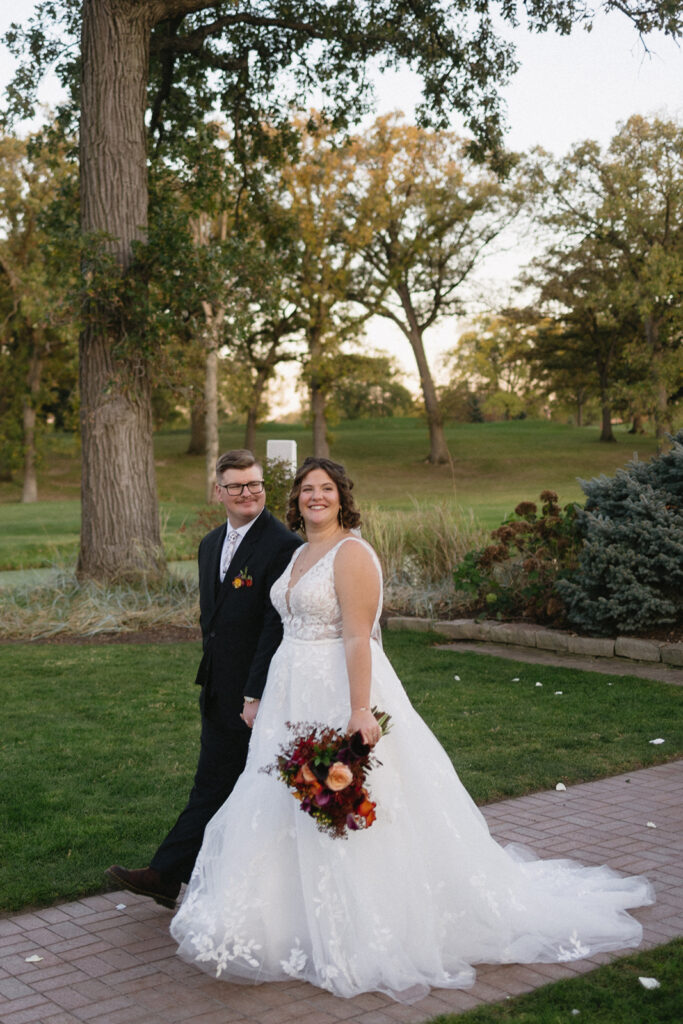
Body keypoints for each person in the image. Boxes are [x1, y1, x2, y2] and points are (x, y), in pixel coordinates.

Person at [169, 456, 654, 1004]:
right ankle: (285, 916)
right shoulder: (301, 553)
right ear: (296, 499)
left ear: (342, 496)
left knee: (342, 803)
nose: (316, 497)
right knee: (281, 799)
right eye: (307, 490)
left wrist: (358, 711)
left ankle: (356, 922)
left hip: (336, 690)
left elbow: (357, 639)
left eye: (326, 488)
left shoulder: (352, 555)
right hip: (289, 692)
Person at [106, 449, 302, 909]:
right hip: (217, 685)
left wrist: (254, 692)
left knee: (246, 785)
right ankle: (174, 874)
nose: (247, 493)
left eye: (254, 484)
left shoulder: (282, 545)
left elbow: (275, 627)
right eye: (236, 485)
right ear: (219, 491)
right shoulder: (210, 543)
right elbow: (211, 618)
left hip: (256, 692)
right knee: (214, 783)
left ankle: (173, 874)